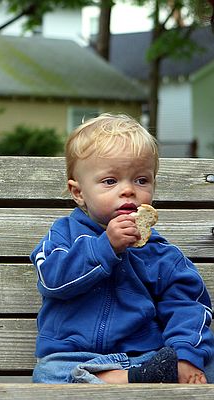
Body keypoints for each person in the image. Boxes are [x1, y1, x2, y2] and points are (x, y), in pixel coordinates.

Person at [30, 113, 214, 384]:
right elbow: (52, 280)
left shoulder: (161, 253)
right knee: (47, 374)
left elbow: (187, 307)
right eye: (110, 181)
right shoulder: (63, 236)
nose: (128, 190)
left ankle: (133, 376)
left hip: (144, 355)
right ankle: (132, 379)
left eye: (141, 180)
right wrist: (106, 248)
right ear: (78, 192)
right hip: (73, 357)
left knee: (203, 365)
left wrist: (185, 357)